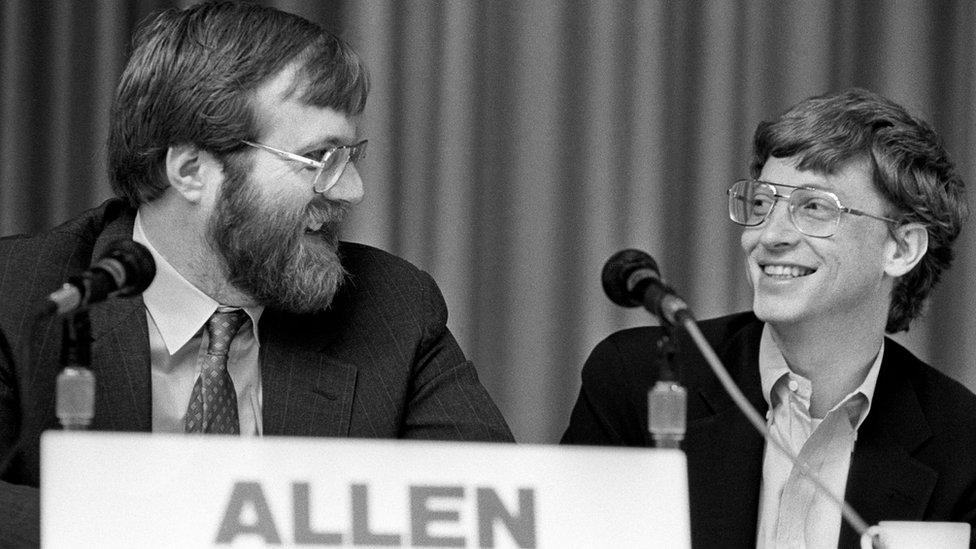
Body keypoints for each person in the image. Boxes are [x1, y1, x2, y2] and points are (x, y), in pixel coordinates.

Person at [0, 2, 512, 545]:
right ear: (192, 171)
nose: (350, 191)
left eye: (351, 156)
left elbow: (490, 516)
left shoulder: (392, 309)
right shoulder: (22, 294)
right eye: (320, 160)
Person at [562, 88, 975, 548]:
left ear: (901, 248)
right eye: (762, 203)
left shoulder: (963, 446)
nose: (769, 235)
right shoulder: (635, 381)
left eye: (814, 207)